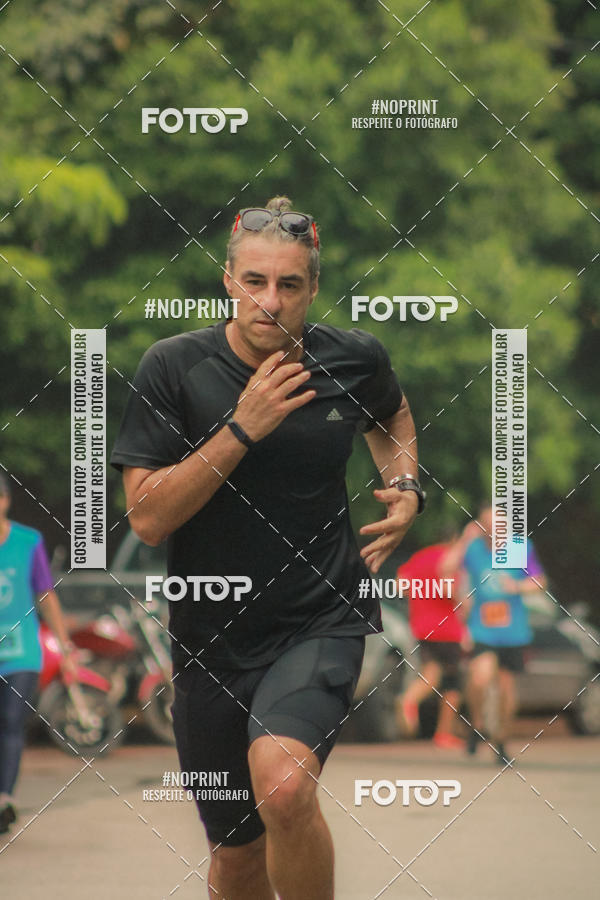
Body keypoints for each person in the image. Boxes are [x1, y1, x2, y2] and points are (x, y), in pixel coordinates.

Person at [111, 196, 424, 900]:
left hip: (321, 618)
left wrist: (404, 484)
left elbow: (393, 413)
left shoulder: (353, 357)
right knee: (236, 859)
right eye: (255, 282)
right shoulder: (172, 369)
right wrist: (241, 427)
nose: (270, 302)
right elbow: (148, 520)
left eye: (289, 285)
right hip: (211, 636)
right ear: (228, 280)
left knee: (283, 789)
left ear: (313, 288)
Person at [0, 473, 77, 833]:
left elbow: (46, 594)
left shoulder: (28, 542)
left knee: (11, 721)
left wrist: (65, 645)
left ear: (5, 500)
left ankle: (5, 798)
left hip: (21, 653)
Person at [441, 507, 546, 764]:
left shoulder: (520, 547)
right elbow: (444, 569)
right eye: (488, 527)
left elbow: (540, 582)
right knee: (478, 679)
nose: (494, 533)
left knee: (506, 689)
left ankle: (501, 740)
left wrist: (518, 586)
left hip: (514, 632)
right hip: (481, 628)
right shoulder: (473, 548)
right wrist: (465, 539)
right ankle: (478, 725)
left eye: (499, 527)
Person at [396, 531, 467, 750]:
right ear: (454, 540)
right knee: (454, 683)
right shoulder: (451, 560)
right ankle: (444, 733)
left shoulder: (420, 557)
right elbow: (451, 591)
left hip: (421, 627)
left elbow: (400, 584)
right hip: (448, 628)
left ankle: (409, 699)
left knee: (432, 673)